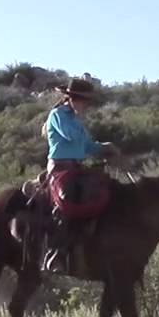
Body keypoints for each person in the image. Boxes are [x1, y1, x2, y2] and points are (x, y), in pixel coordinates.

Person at [35, 78, 122, 273]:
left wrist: (104, 148)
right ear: (72, 98)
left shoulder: (75, 119)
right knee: (68, 199)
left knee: (103, 188)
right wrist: (81, 128)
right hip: (59, 168)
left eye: (88, 101)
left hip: (76, 167)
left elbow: (88, 146)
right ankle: (55, 254)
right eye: (84, 101)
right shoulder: (58, 115)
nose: (87, 105)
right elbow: (70, 136)